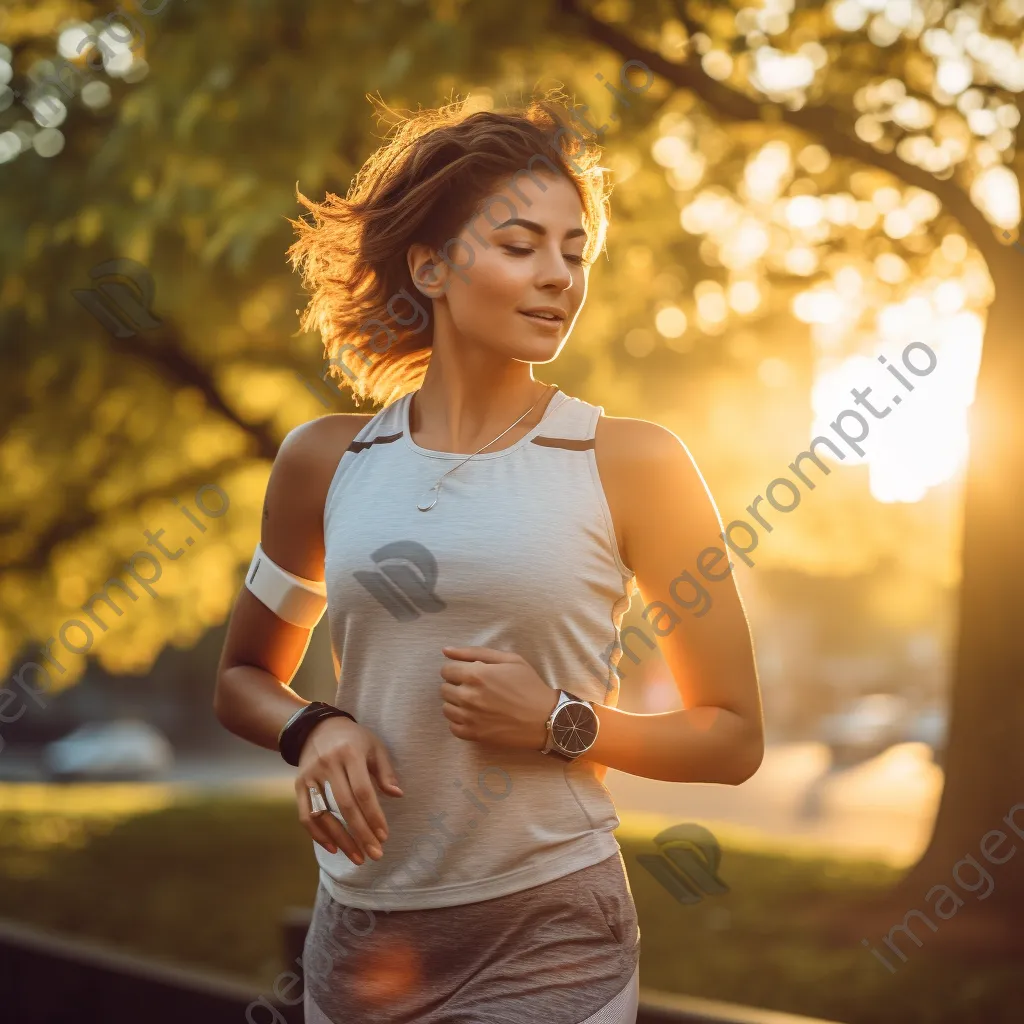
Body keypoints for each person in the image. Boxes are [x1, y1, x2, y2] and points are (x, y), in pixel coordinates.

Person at [214, 93, 764, 1024]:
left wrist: (562, 721)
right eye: (521, 246)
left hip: (549, 933)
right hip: (359, 935)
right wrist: (314, 729)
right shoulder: (324, 461)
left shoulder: (633, 462)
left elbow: (734, 736)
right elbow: (239, 680)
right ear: (429, 267)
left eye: (574, 250)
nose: (559, 277)